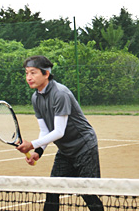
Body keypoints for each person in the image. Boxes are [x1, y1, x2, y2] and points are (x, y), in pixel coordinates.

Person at [17, 55, 104, 211]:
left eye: (33, 72)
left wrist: (31, 144)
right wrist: (38, 151)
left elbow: (59, 131)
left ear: (46, 74)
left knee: (87, 191)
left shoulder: (60, 94)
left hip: (84, 146)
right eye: (26, 73)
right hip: (65, 150)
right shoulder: (36, 97)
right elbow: (45, 130)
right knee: (53, 189)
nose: (28, 77)